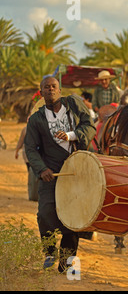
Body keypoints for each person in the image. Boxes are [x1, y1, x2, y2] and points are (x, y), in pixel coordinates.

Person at [25, 77, 96, 273]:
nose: (50, 90)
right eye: (46, 87)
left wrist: (72, 135)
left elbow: (89, 126)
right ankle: (49, 251)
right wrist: (41, 169)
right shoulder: (36, 119)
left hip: (77, 168)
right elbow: (30, 149)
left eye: (53, 86)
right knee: (45, 212)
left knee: (74, 216)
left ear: (60, 89)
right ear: (41, 92)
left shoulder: (73, 104)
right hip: (51, 171)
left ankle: (66, 260)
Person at [15, 122, 39, 201]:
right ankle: (32, 192)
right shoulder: (25, 130)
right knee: (31, 173)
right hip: (27, 155)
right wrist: (17, 151)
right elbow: (21, 141)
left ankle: (35, 191)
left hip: (37, 155)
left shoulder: (40, 129)